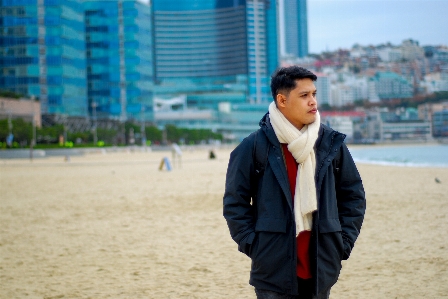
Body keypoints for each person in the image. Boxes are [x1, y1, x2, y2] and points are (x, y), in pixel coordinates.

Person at [223, 66, 366, 299]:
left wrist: (342, 243)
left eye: (314, 94)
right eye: (304, 95)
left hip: (321, 267)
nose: (313, 102)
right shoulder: (253, 147)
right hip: (273, 270)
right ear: (282, 100)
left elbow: (353, 196)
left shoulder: (330, 143)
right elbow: (234, 203)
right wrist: (254, 245)